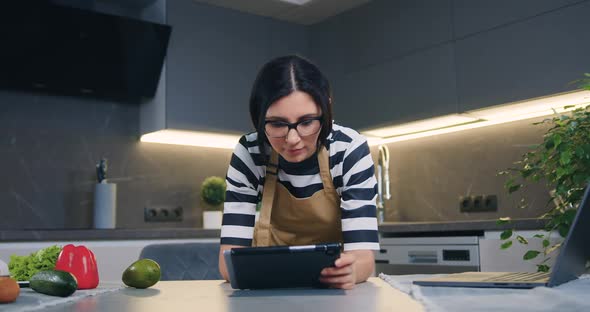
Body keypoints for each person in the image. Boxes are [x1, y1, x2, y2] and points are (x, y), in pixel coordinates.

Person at [218, 55, 380, 289]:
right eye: (277, 124)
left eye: (306, 122)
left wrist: (350, 272)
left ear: (326, 109)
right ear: (258, 118)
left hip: (335, 294)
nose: (292, 139)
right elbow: (228, 263)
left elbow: (364, 259)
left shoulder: (348, 150)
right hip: (266, 291)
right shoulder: (250, 153)